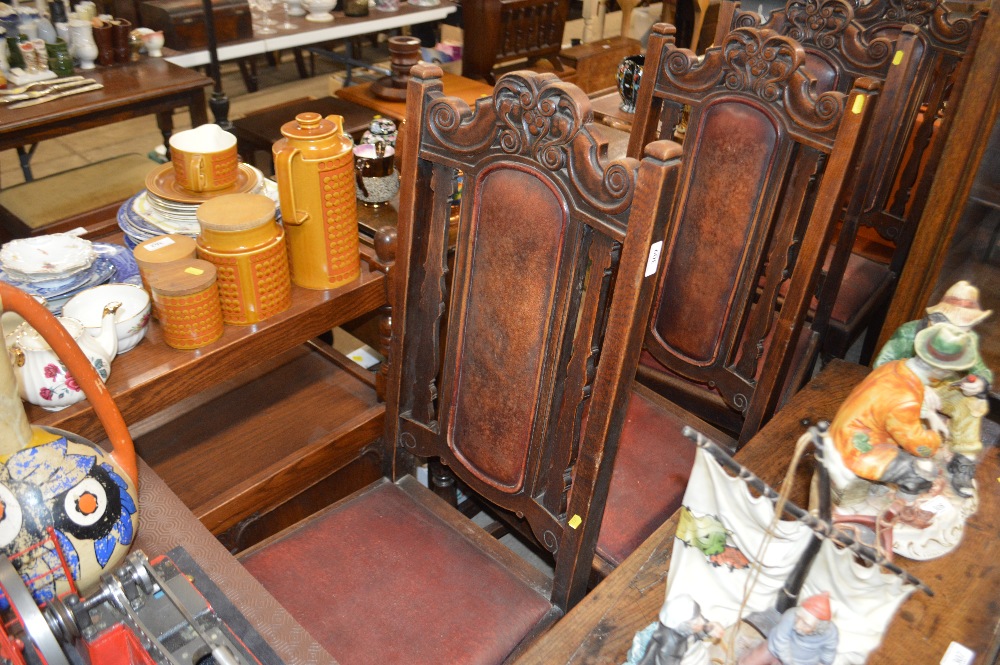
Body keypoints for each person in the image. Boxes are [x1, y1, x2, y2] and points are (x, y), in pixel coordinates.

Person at [874, 281, 992, 496]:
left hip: (944, 388)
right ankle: (903, 460)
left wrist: (980, 384)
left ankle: (963, 459)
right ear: (936, 319)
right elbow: (881, 366)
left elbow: (982, 370)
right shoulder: (909, 333)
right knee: (905, 420)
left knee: (974, 403)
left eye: (966, 328)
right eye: (957, 328)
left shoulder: (967, 338)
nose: (962, 336)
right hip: (904, 390)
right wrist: (914, 385)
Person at [830, 323, 978, 496]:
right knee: (922, 474)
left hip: (844, 432)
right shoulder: (904, 399)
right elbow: (920, 446)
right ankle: (891, 502)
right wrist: (937, 438)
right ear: (939, 369)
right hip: (855, 450)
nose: (951, 376)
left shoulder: (895, 367)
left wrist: (929, 415)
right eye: (951, 372)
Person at [739, 593, 839, 665]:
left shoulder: (830, 633)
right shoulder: (791, 615)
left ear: (819, 627)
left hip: (802, 662)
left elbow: (828, 651)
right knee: (750, 661)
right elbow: (780, 640)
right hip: (773, 649)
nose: (798, 625)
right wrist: (788, 661)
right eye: (798, 618)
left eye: (806, 624)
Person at [630, 594, 724, 665]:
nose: (701, 622)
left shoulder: (685, 632)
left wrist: (707, 629)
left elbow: (694, 636)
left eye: (699, 616)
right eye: (695, 622)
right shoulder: (669, 648)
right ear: (681, 627)